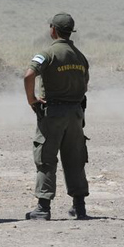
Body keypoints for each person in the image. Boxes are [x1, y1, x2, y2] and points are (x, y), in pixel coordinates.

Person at [24, 13, 90, 220]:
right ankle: (79, 207)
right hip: (76, 114)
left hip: (53, 114)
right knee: (75, 159)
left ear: (53, 29)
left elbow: (28, 75)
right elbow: (85, 84)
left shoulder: (48, 53)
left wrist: (31, 99)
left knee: (45, 158)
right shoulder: (80, 56)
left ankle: (43, 208)